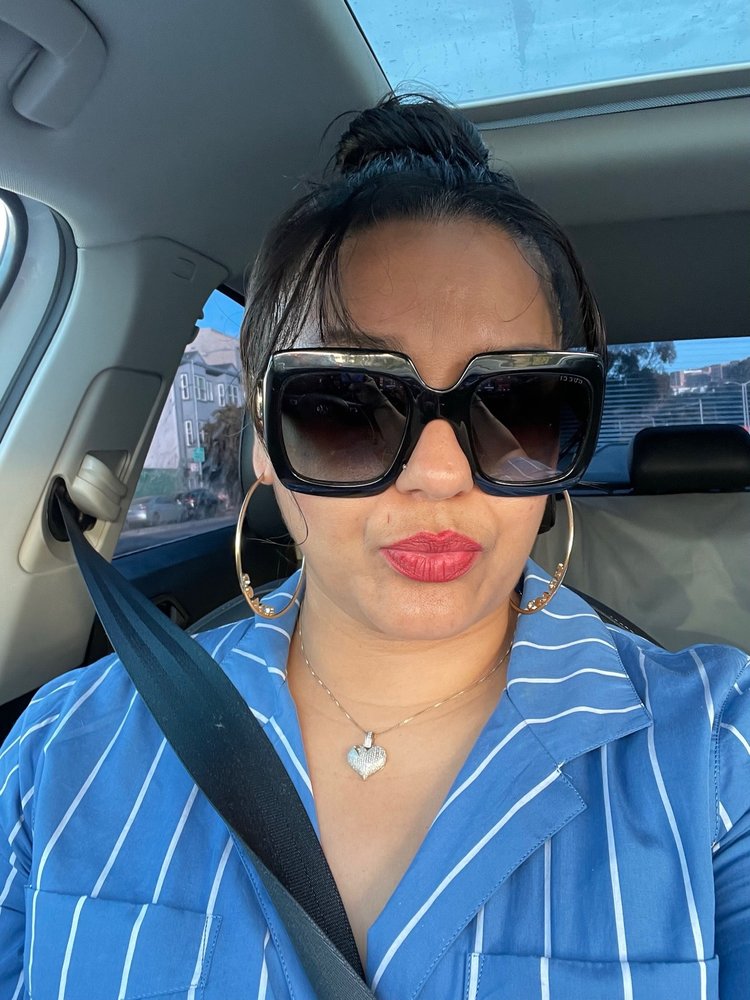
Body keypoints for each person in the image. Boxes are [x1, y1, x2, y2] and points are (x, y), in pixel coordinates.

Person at [0, 96, 748, 1000]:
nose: (439, 474)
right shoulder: (60, 751)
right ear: (265, 438)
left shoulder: (718, 756)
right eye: (345, 406)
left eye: (517, 405)